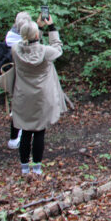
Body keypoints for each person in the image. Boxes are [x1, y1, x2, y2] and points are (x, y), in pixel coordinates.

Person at [11, 15, 67, 175]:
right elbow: (57, 49)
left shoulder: (16, 50)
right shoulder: (46, 52)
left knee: (25, 131)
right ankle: (36, 167)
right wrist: (51, 28)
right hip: (42, 96)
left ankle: (24, 167)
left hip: (23, 96)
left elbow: (27, 43)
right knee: (39, 131)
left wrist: (36, 28)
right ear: (37, 36)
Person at [5, 12, 32, 150]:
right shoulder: (21, 45)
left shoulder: (9, 37)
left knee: (17, 107)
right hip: (22, 80)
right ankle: (17, 138)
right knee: (22, 108)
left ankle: (15, 137)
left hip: (14, 79)